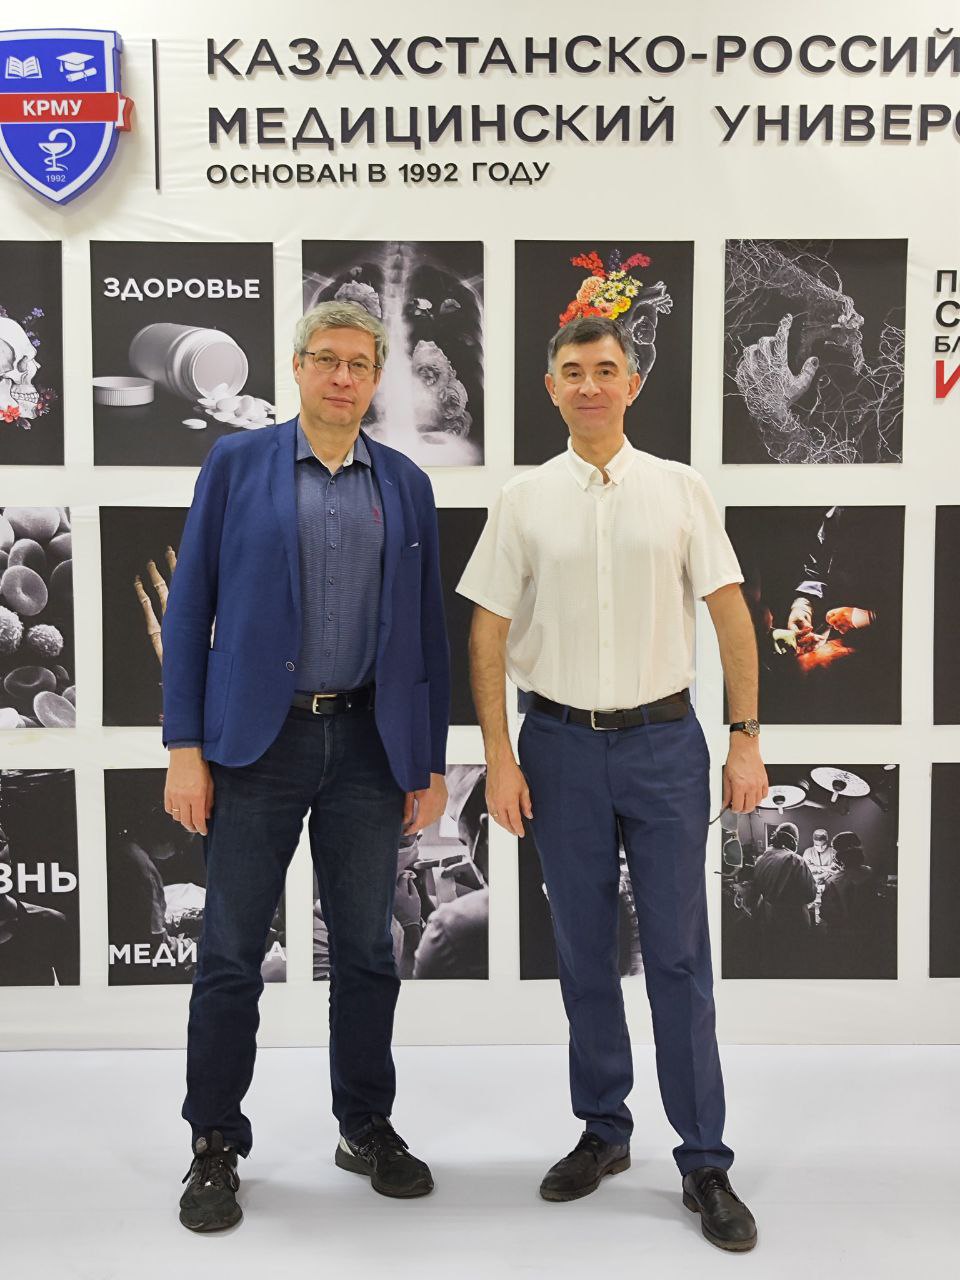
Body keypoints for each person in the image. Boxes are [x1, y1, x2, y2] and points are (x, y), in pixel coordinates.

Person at [458, 315, 767, 1252]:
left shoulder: (680, 489)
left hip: (665, 746)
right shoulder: (522, 498)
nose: (589, 385)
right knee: (584, 952)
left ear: (633, 384)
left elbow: (732, 618)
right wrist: (499, 755)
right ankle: (604, 1130)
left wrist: (744, 739)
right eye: (572, 371)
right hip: (556, 748)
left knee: (676, 957)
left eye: (605, 369)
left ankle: (704, 1159)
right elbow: (486, 633)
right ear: (550, 388)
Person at [162, 300, 451, 1232]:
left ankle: (365, 1126)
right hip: (257, 744)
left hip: (369, 746)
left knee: (366, 950)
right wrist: (183, 748)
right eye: (326, 359)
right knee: (230, 955)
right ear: (296, 367)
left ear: (375, 378)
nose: (342, 377)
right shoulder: (236, 465)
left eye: (359, 364)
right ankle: (214, 1142)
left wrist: (427, 759)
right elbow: (189, 610)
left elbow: (426, 631)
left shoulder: (405, 483)